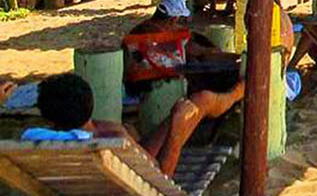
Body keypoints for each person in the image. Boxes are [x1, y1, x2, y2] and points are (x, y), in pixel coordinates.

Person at [28, 72, 241, 179]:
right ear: (91, 103)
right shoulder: (112, 139)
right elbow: (161, 176)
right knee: (200, 101)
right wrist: (177, 127)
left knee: (200, 100)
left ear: (49, 119)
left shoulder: (36, 139)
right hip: (137, 181)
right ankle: (239, 92)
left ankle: (236, 93)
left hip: (110, 175)